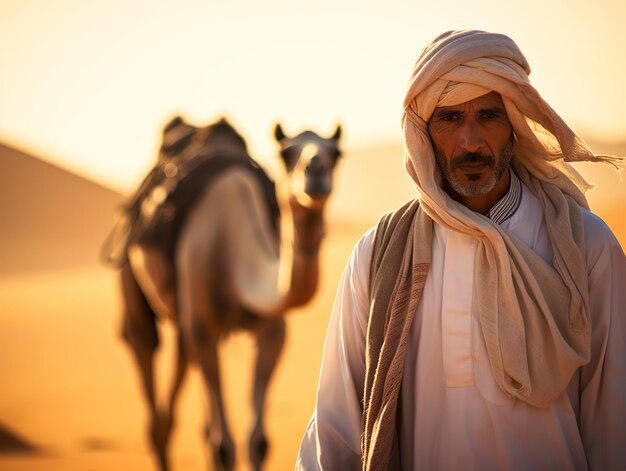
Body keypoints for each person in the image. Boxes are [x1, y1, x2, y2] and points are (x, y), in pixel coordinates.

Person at [296, 30, 626, 470]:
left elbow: (616, 424)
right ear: (424, 133)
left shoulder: (586, 248)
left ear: (513, 125)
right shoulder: (377, 258)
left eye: (488, 115)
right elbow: (335, 431)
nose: (470, 142)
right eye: (449, 118)